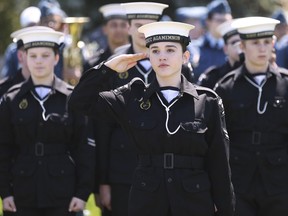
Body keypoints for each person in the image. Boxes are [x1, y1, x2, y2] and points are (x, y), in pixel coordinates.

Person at [68, 21, 235, 216]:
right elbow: (79, 102)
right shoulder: (133, 96)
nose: (162, 56)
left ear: (185, 56)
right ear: (149, 56)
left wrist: (225, 209)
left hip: (194, 201)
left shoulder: (207, 101)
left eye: (170, 50)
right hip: (148, 201)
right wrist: (108, 68)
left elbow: (220, 164)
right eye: (155, 51)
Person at [0, 27, 95, 216]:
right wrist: (5, 193)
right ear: (24, 58)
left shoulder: (72, 99)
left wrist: (82, 193)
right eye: (33, 56)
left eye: (45, 55)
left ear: (56, 58)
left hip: (62, 193)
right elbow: (3, 149)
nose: (39, 61)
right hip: (22, 192)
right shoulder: (12, 100)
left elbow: (84, 148)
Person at [94, 3, 169, 216]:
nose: (143, 31)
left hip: (163, 171)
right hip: (121, 171)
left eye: (150, 25)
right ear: (128, 28)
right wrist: (103, 181)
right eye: (138, 25)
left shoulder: (172, 63)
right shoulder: (113, 65)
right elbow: (102, 128)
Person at [214, 16, 288, 216]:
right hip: (239, 179)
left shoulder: (285, 84)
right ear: (242, 46)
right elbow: (217, 141)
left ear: (273, 44)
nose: (262, 48)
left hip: (279, 180)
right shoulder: (226, 87)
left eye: (266, 42)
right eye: (255, 43)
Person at [0, 26, 54, 97]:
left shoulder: (64, 92)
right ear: (20, 56)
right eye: (33, 54)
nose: (39, 60)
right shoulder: (4, 91)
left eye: (44, 55)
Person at [193, 0, 232, 81]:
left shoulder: (233, 48)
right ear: (208, 21)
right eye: (219, 20)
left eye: (226, 21)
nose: (223, 24)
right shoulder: (195, 48)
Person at [198, 19, 243, 89]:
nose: (240, 46)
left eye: (243, 43)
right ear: (225, 49)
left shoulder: (257, 72)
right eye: (235, 43)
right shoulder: (213, 77)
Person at [83, 3, 129, 72]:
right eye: (113, 25)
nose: (118, 30)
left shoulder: (141, 60)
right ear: (104, 29)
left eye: (123, 25)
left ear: (130, 29)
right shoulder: (94, 64)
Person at [0, 6, 41, 79]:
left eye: (34, 26)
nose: (32, 30)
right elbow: (8, 77)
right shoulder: (13, 50)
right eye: (29, 26)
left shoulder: (46, 47)